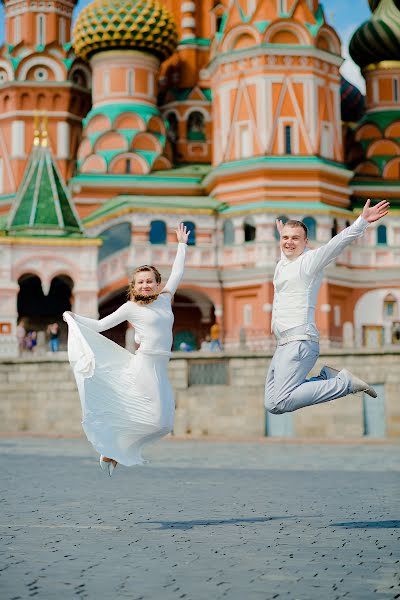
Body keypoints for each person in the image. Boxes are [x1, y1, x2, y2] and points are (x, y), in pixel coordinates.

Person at [63, 223, 190, 476]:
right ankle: (114, 449)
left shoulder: (165, 299)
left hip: (161, 366)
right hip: (144, 365)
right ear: (134, 285)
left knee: (164, 424)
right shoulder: (131, 308)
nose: (145, 285)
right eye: (140, 282)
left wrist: (182, 245)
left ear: (157, 283)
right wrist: (73, 317)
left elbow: (177, 273)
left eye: (149, 281)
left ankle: (114, 451)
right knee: (154, 420)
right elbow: (100, 325)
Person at [265, 199, 390, 415]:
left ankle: (344, 383)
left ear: (306, 242)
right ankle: (326, 378)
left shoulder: (309, 262)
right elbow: (287, 251)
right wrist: (284, 235)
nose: (289, 242)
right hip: (282, 344)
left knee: (279, 402)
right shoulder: (283, 263)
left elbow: (336, 244)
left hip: (299, 342)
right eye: (285, 238)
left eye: (295, 238)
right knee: (270, 402)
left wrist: (362, 222)